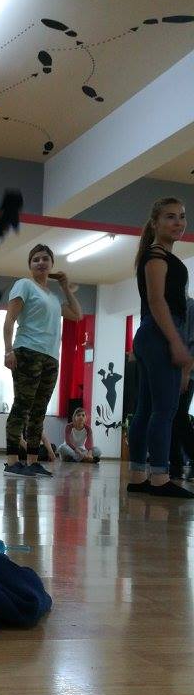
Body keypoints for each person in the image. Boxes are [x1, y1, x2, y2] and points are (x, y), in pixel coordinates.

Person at [127, 198, 194, 497]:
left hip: (151, 335)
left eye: (182, 216)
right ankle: (159, 478)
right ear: (155, 223)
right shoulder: (156, 256)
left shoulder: (160, 256)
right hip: (158, 334)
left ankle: (138, 476)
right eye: (170, 217)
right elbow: (157, 302)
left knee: (146, 409)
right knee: (164, 410)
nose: (178, 222)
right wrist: (176, 342)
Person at [3, 244, 82, 478]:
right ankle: (12, 461)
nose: (40, 262)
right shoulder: (24, 285)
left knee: (39, 410)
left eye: (45, 258)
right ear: (30, 265)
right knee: (22, 406)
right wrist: (8, 351)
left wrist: (66, 287)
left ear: (51, 264)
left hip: (51, 357)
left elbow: (77, 314)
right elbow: (9, 320)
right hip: (27, 351)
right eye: (35, 259)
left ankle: (32, 461)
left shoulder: (54, 298)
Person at [169, 297, 194, 480]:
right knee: (171, 418)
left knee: (179, 417)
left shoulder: (191, 307)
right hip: (172, 372)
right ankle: (175, 467)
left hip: (187, 373)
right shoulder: (170, 306)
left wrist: (185, 373)